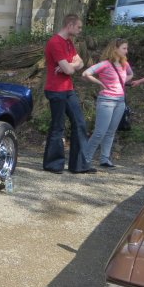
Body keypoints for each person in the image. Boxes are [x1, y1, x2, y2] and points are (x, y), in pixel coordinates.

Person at [42, 14, 96, 174]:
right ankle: (53, 164)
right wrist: (71, 66)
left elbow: (80, 63)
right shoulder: (55, 42)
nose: (80, 30)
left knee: (79, 123)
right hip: (55, 90)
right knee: (58, 126)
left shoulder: (69, 43)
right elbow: (69, 69)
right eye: (78, 27)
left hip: (68, 89)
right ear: (70, 25)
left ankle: (79, 165)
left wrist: (71, 65)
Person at [82, 38, 133, 168]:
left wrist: (120, 83)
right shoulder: (105, 64)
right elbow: (86, 73)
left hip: (120, 101)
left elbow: (130, 75)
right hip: (106, 101)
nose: (126, 51)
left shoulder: (124, 64)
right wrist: (100, 83)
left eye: (126, 48)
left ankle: (105, 159)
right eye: (124, 48)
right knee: (100, 132)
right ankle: (85, 159)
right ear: (115, 49)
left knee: (111, 131)